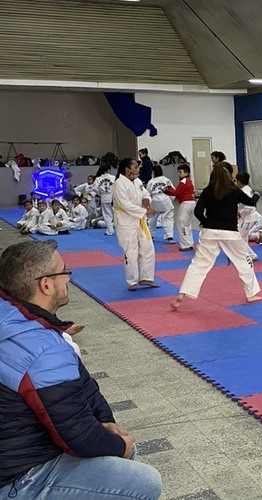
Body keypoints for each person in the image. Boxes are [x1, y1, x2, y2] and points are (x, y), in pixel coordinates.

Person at [0, 240, 162, 499]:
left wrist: (106, 421)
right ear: (46, 284)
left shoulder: (15, 316)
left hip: (17, 453)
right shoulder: (41, 348)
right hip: (17, 479)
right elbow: (77, 434)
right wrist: (118, 443)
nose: (68, 278)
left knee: (118, 449)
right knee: (143, 482)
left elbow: (82, 387)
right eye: (64, 272)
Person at [171, 162, 262, 310]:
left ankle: (183, 293)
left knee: (198, 264)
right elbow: (251, 202)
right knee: (244, 262)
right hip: (230, 233)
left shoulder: (207, 191)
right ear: (230, 175)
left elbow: (198, 212)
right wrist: (257, 195)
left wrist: (207, 222)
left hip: (209, 232)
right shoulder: (234, 191)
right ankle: (250, 294)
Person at [112, 158, 158, 291]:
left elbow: (146, 193)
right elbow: (124, 205)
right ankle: (132, 281)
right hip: (125, 220)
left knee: (148, 248)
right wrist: (145, 210)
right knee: (131, 251)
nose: (138, 169)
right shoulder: (119, 184)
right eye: (136, 167)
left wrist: (146, 199)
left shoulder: (137, 182)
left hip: (140, 220)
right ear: (127, 169)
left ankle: (146, 278)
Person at [164, 164, 196, 251]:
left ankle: (185, 244)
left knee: (181, 223)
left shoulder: (184, 181)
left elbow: (176, 193)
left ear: (186, 172)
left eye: (180, 172)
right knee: (187, 224)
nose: (178, 174)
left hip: (186, 203)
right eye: (178, 172)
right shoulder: (188, 181)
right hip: (191, 203)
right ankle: (189, 242)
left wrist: (167, 189)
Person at [146, 164, 175, 243]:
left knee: (152, 219)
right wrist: (171, 200)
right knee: (168, 218)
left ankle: (150, 235)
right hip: (166, 200)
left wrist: (148, 204)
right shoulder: (166, 180)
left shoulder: (151, 182)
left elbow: (147, 194)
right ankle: (170, 237)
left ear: (153, 172)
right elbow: (173, 191)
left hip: (155, 200)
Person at [93, 163, 116, 236]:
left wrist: (100, 193)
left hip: (104, 197)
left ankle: (110, 231)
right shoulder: (113, 177)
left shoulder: (98, 179)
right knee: (117, 214)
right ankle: (121, 230)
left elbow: (94, 188)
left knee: (107, 215)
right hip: (113, 197)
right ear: (109, 169)